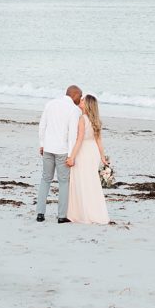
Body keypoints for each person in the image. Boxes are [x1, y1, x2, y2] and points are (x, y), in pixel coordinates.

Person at [36, 85, 82, 223]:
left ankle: (40, 213)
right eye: (80, 96)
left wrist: (42, 144)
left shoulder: (50, 104)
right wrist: (71, 156)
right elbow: (72, 134)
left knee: (45, 180)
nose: (80, 99)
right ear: (74, 95)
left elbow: (42, 125)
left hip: (48, 148)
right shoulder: (74, 110)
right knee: (63, 183)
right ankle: (61, 216)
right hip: (62, 151)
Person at [65, 94, 110, 225]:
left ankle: (80, 213)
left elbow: (79, 140)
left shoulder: (82, 119)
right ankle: (95, 212)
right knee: (92, 182)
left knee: (80, 181)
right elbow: (99, 140)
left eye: (83, 100)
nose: (81, 100)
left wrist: (71, 157)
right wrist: (102, 156)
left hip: (83, 151)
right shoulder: (95, 120)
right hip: (93, 152)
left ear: (87, 104)